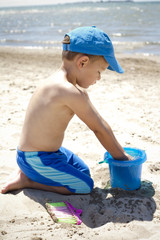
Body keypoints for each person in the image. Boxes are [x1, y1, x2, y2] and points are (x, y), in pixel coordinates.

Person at [1, 26, 131, 195]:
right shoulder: (68, 91)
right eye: (99, 71)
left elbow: (100, 123)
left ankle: (26, 172)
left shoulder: (60, 83)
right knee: (84, 186)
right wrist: (122, 158)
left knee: (83, 172)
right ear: (82, 62)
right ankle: (27, 180)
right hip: (37, 159)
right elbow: (99, 128)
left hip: (44, 153)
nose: (99, 78)